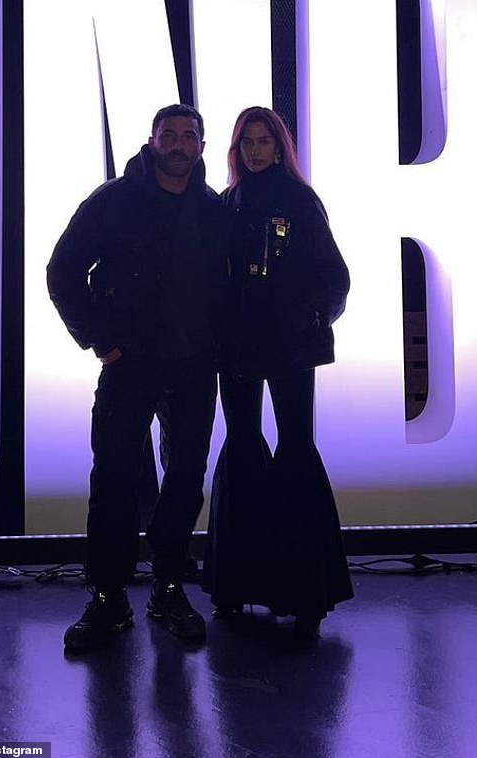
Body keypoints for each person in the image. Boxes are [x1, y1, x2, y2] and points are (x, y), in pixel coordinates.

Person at [47, 104, 229, 652]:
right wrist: (103, 342)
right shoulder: (115, 201)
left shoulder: (215, 210)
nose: (177, 144)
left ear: (200, 145)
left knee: (183, 482)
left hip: (195, 366)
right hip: (131, 366)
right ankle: (107, 599)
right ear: (151, 141)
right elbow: (62, 272)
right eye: (168, 135)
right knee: (114, 482)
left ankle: (168, 589)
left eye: (188, 136)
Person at [202, 106, 354, 640]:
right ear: (236, 147)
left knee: (293, 447)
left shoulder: (301, 203)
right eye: (247, 141)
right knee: (242, 443)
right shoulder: (226, 206)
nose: (255, 150)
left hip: (287, 344)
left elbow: (334, 277)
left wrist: (308, 319)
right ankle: (236, 583)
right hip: (238, 344)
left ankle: (303, 590)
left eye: (263, 141)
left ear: (279, 146)